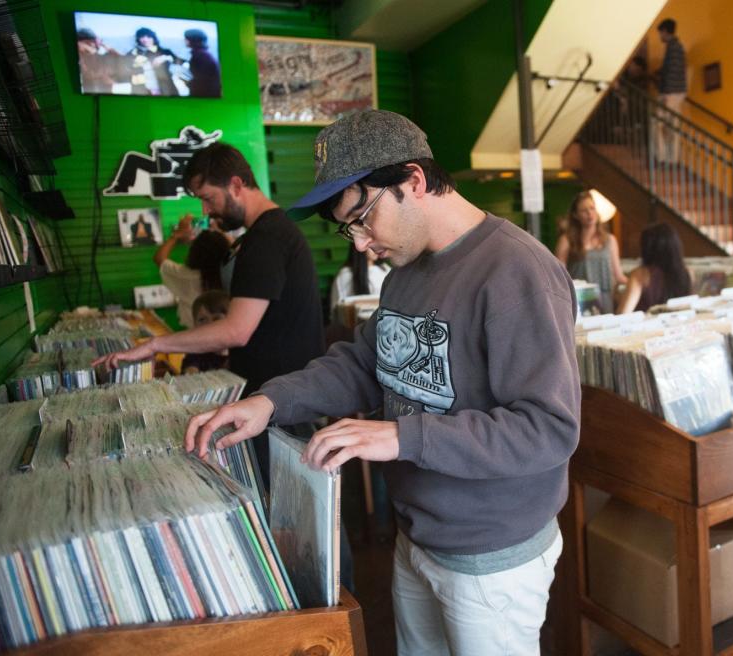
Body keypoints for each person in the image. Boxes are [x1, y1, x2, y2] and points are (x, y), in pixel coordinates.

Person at [183, 109, 580, 655]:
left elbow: (548, 429)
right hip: (416, 535)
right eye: (350, 227)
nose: (362, 242)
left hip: (489, 555)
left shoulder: (518, 272)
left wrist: (402, 437)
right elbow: (363, 364)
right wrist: (269, 402)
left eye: (363, 217)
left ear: (414, 181)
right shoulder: (407, 273)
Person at [96, 142, 327, 486]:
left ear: (236, 185)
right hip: (274, 394)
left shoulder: (267, 239)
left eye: (208, 197)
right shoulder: (262, 236)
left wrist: (156, 345)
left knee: (294, 508)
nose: (206, 209)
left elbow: (236, 330)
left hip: (282, 399)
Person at [555, 190, 627, 313]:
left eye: (592, 208)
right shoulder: (566, 240)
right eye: (584, 210)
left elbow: (618, 275)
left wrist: (638, 284)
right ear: (576, 215)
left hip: (605, 300)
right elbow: (558, 276)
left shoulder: (610, 240)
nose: (590, 214)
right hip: (579, 300)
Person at [154, 214, 229, 328]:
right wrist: (220, 233)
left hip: (194, 335)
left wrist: (177, 235)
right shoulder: (230, 274)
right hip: (226, 335)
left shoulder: (186, 275)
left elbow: (159, 258)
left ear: (194, 252)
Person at [617, 223, 691, 313]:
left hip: (647, 326)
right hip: (678, 325)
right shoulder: (687, 273)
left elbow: (623, 313)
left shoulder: (640, 275)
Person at [655, 18, 687, 163]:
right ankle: (670, 159)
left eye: (660, 33)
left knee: (659, 123)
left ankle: (664, 158)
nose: (659, 36)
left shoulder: (674, 48)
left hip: (672, 92)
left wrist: (665, 94)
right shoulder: (675, 47)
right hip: (676, 91)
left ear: (665, 31)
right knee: (670, 127)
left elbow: (673, 71)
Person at [329, 243, 390, 315]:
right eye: (371, 244)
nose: (377, 248)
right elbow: (338, 311)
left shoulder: (385, 269)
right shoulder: (346, 275)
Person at [182, 290, 230, 374]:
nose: (209, 325)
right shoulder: (195, 354)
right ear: (194, 324)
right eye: (202, 320)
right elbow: (190, 370)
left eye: (216, 319)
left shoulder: (241, 350)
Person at [128, 27, 180, 96]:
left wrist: (165, 58)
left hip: (164, 89)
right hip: (141, 90)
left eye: (148, 37)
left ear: (154, 38)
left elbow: (180, 62)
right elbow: (124, 68)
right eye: (142, 37)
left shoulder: (165, 52)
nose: (145, 40)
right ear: (138, 39)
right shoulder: (133, 53)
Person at [184, 29, 221, 98]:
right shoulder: (203, 54)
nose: (184, 41)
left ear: (192, 40)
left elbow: (202, 82)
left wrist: (186, 83)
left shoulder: (200, 56)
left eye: (186, 38)